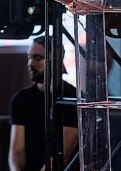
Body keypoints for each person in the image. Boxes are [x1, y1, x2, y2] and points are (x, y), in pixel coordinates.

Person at [8, 35, 78, 171]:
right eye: (29, 57)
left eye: (37, 58)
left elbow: (63, 154)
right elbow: (16, 152)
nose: (30, 63)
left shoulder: (71, 98)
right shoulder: (21, 99)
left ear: (56, 61)